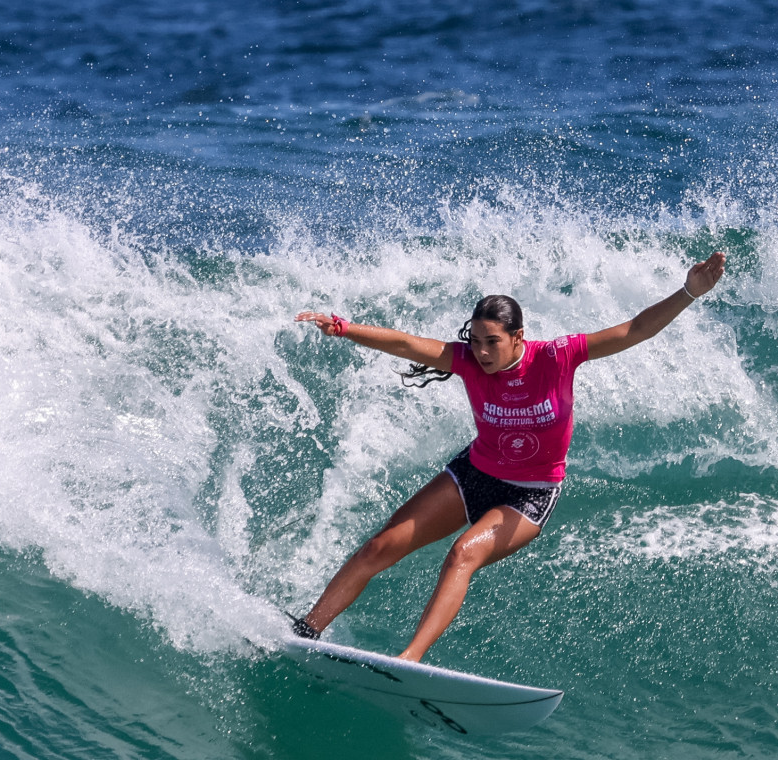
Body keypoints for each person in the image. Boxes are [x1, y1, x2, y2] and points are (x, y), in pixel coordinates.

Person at [291, 251, 727, 661]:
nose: (481, 352)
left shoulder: (557, 358)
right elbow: (407, 344)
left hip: (530, 495)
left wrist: (688, 292)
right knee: (379, 546)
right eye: (475, 340)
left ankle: (409, 660)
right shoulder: (465, 360)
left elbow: (636, 328)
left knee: (462, 554)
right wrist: (344, 328)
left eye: (492, 342)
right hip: (474, 474)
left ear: (518, 336)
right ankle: (306, 631)